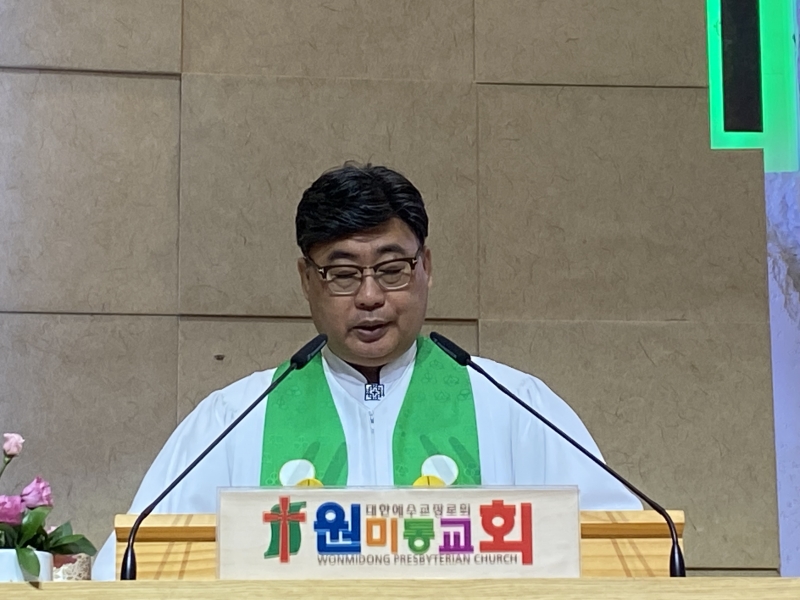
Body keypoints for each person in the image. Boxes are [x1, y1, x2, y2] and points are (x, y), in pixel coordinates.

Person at [93, 163, 639, 579]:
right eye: (343, 274)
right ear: (307, 280)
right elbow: (128, 563)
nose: (371, 296)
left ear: (426, 268)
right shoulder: (235, 419)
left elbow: (628, 552)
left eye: (392, 269)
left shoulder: (512, 406)